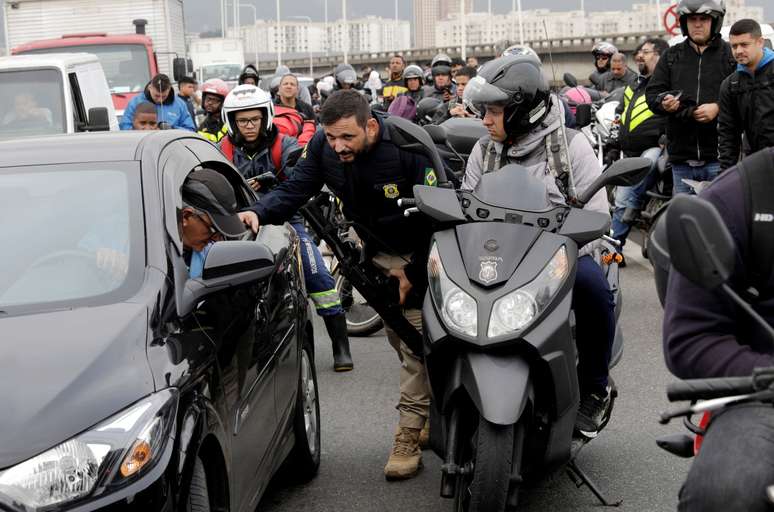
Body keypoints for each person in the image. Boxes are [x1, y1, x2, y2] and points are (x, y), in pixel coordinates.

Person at [238, 90, 438, 480]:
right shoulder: (323, 147)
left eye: (347, 137)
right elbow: (295, 190)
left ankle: (409, 437)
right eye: (331, 137)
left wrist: (412, 273)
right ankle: (430, 409)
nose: (337, 146)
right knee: (402, 342)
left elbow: (440, 217)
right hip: (374, 255)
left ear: (371, 126)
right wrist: (256, 213)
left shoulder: (408, 146)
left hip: (421, 253)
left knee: (415, 343)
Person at [462, 56, 615, 436]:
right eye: (484, 111)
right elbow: (466, 206)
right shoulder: (484, 151)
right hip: (497, 255)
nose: (485, 120)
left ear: (522, 111)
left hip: (558, 258)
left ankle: (595, 388)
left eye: (494, 112)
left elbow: (597, 213)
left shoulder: (572, 146)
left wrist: (576, 234)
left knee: (594, 289)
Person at [662, 148, 774, 512]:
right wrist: (763, 373)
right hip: (763, 398)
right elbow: (691, 336)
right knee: (724, 492)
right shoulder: (738, 197)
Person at [219, 84, 353, 372]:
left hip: (285, 221)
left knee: (317, 275)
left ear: (266, 116)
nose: (249, 125)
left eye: (254, 118)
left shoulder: (285, 143)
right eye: (242, 120)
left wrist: (274, 181)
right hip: (240, 224)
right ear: (231, 122)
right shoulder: (222, 150)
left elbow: (301, 173)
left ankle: (341, 346)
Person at [645, 0, 735, 195]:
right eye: (692, 19)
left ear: (715, 21)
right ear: (684, 23)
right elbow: (652, 95)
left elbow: (745, 97)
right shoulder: (671, 56)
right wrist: (664, 103)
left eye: (703, 19)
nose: (697, 24)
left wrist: (718, 107)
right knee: (685, 221)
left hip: (720, 159)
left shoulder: (730, 55)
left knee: (721, 221)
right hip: (681, 161)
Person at [610, 38, 668, 255]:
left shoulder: (666, 82)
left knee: (629, 193)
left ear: (659, 55)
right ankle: (612, 253)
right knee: (620, 201)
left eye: (645, 52)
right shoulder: (633, 84)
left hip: (654, 149)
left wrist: (666, 137)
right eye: (639, 52)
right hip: (629, 152)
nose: (639, 56)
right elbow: (620, 116)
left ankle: (613, 252)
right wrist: (613, 145)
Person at [718, 18, 774, 171]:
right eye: (734, 46)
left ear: (760, 42)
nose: (738, 51)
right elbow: (728, 133)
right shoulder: (730, 85)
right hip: (756, 164)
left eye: (744, 45)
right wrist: (724, 175)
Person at [179, 169, 247, 278]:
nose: (217, 240)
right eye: (213, 229)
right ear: (185, 216)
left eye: (222, 232)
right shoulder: (150, 256)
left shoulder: (212, 254)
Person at [119, 74, 195, 131]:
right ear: (150, 88)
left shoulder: (180, 104)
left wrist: (172, 129)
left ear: (169, 89)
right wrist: (141, 130)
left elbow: (190, 129)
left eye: (164, 96)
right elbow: (124, 126)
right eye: (157, 96)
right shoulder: (135, 102)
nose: (160, 100)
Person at [273, 73, 317, 145]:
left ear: (297, 89)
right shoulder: (271, 109)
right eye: (285, 84)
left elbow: (315, 130)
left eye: (292, 84)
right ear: (279, 89)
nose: (289, 86)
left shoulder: (307, 109)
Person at [197, 78, 229, 143]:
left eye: (214, 100)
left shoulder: (230, 121)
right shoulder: (203, 127)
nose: (210, 103)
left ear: (222, 102)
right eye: (208, 99)